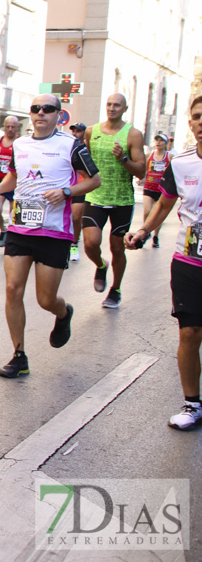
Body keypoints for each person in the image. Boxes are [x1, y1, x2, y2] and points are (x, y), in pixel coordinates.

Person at [0, 95, 100, 378]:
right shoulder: (20, 145)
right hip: (20, 226)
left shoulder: (71, 146)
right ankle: (19, 355)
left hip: (54, 231)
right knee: (13, 289)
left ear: (59, 115)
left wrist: (66, 192)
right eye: (35, 109)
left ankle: (63, 314)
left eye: (47, 109)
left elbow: (94, 180)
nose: (40, 113)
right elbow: (15, 177)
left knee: (45, 299)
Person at [125, 95, 202, 430]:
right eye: (197, 116)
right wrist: (143, 230)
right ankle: (192, 404)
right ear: (191, 123)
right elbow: (165, 204)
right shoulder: (182, 163)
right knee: (189, 333)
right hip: (189, 261)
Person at [82, 93, 146, 308]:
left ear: (125, 108)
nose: (112, 108)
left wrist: (123, 159)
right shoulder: (92, 131)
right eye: (109, 104)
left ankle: (115, 289)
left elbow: (141, 171)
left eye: (117, 105)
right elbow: (86, 162)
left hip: (122, 200)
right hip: (95, 196)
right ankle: (101, 265)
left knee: (117, 248)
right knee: (91, 243)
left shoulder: (133, 134)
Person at [0, 116, 19, 247]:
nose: (10, 129)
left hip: (15, 182)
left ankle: (12, 237)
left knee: (13, 214)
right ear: (4, 127)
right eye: (8, 126)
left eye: (13, 126)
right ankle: (3, 229)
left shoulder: (21, 142)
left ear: (18, 127)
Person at [138, 132, 170, 248]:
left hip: (161, 189)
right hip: (149, 187)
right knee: (147, 211)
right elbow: (145, 170)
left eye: (161, 141)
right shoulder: (149, 155)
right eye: (157, 140)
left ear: (165, 144)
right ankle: (146, 231)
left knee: (157, 214)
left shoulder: (169, 157)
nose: (158, 142)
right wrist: (141, 178)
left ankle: (156, 235)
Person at [68, 123, 89, 261]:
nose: (75, 133)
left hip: (81, 186)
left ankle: (74, 244)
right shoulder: (67, 146)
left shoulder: (88, 148)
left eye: (79, 131)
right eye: (74, 131)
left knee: (76, 217)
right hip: (66, 186)